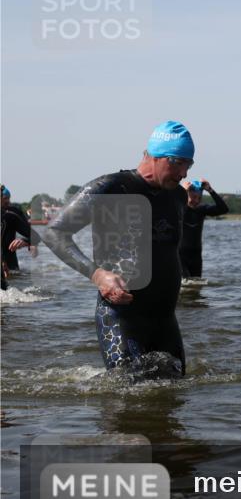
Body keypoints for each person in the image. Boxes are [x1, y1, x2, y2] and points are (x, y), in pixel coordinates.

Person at [41, 121, 195, 375]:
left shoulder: (178, 196)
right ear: (157, 157)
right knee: (127, 399)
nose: (184, 174)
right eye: (179, 163)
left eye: (189, 165)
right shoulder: (110, 188)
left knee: (175, 397)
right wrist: (98, 275)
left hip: (165, 320)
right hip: (122, 318)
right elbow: (54, 233)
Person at [179, 179, 229, 278]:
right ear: (187, 194)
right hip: (180, 255)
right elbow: (170, 205)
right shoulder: (179, 208)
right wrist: (182, 191)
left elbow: (224, 209)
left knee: (196, 284)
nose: (196, 201)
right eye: (193, 197)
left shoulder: (202, 210)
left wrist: (210, 190)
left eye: (199, 198)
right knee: (185, 283)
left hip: (196, 256)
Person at [1, 185, 37, 285]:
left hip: (10, 262)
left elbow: (33, 235)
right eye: (5, 199)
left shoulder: (12, 215)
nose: (7, 201)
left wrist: (26, 241)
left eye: (8, 198)